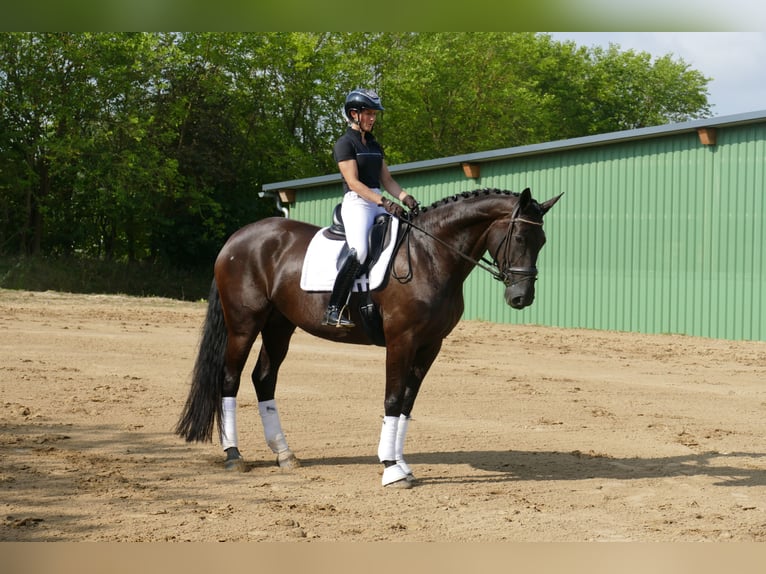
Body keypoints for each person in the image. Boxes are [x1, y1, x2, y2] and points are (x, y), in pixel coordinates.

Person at [321, 88, 420, 328]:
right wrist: (385, 202)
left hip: (376, 199)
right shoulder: (344, 144)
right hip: (358, 203)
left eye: (374, 114)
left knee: (405, 236)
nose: (373, 118)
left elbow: (387, 180)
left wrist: (406, 197)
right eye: (368, 113)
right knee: (360, 251)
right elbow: (354, 183)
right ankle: (334, 308)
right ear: (353, 114)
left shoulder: (374, 144)